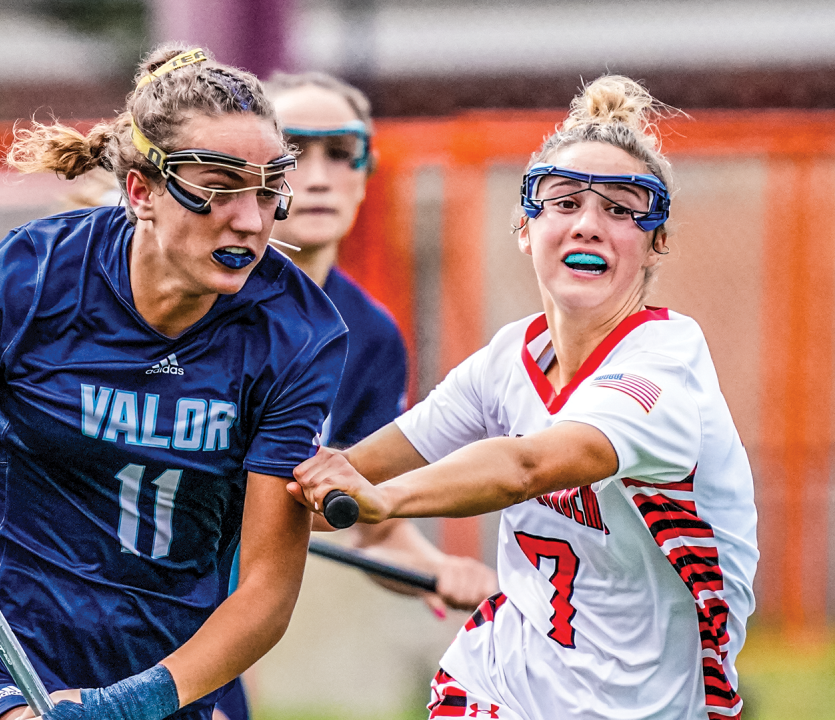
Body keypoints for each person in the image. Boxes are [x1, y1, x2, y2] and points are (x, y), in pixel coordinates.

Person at [0, 46, 347, 720]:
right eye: (217, 186)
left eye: (268, 189)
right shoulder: (35, 277)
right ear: (141, 192)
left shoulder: (296, 333)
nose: (249, 219)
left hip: (158, 670)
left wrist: (120, 705)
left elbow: (268, 587)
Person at [290, 76, 758, 720]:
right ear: (525, 229)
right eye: (564, 203)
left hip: (652, 705)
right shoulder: (510, 358)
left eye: (621, 209)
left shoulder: (665, 366)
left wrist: (384, 501)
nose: (589, 225)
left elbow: (527, 467)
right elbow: (351, 473)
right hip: (497, 687)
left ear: (657, 245)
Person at [211, 72, 498, 720]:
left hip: (225, 619)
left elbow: (370, 525)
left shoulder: (370, 336)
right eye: (293, 152)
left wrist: (437, 568)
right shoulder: (200, 294)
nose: (317, 176)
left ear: (365, 172)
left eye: (340, 153)